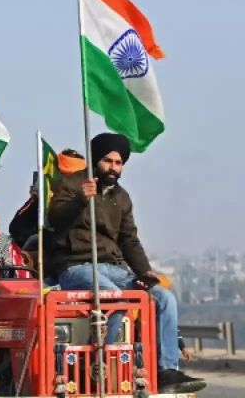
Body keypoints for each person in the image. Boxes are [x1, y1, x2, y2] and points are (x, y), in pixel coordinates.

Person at [49, 132, 204, 393]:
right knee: (114, 297)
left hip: (113, 266)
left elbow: (129, 240)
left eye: (119, 163)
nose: (113, 168)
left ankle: (166, 370)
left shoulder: (121, 197)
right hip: (77, 266)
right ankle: (96, 362)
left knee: (164, 298)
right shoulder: (74, 185)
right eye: (108, 161)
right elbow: (55, 219)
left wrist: (145, 270)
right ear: (96, 159)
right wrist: (79, 201)